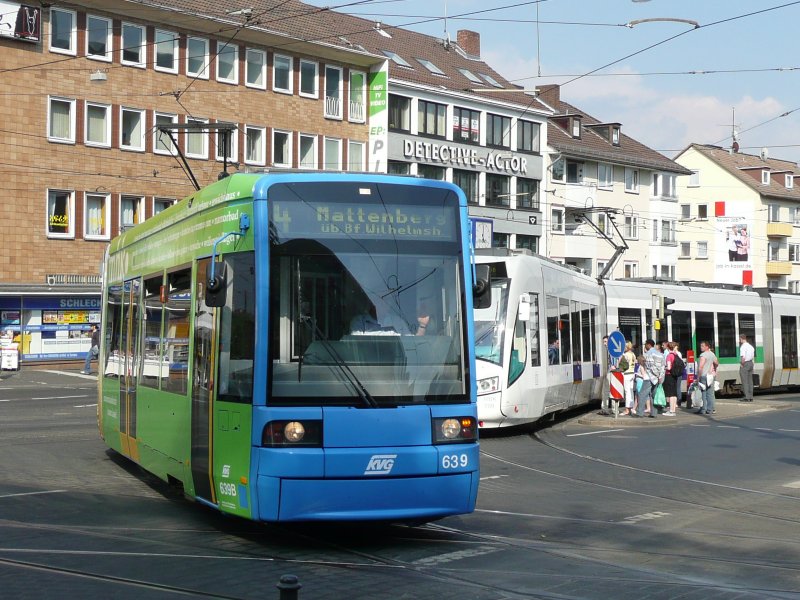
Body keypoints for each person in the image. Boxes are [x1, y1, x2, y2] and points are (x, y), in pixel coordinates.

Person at [635, 339, 665, 419]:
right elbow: (663, 367)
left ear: (649, 345)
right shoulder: (660, 354)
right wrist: (660, 376)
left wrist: (655, 374)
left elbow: (650, 366)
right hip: (657, 378)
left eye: (645, 344)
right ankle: (653, 413)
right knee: (654, 396)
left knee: (642, 394)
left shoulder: (648, 354)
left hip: (649, 377)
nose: (645, 346)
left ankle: (640, 413)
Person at [697, 340, 719, 415]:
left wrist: (698, 377)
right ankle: (710, 409)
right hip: (710, 376)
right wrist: (714, 369)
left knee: (703, 393)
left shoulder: (703, 355)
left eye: (702, 346)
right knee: (710, 393)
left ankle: (703, 409)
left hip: (703, 376)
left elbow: (701, 367)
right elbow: (716, 363)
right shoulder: (712, 354)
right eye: (701, 346)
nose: (701, 347)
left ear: (707, 346)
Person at [662, 342, 680, 416]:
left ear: (668, 347)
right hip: (675, 375)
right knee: (674, 393)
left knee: (670, 394)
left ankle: (671, 411)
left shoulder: (669, 356)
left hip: (669, 375)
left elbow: (669, 367)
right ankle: (673, 410)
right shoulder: (676, 355)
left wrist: (664, 367)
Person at [620, 341, 636, 415]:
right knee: (631, 391)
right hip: (632, 373)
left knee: (627, 392)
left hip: (626, 374)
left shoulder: (625, 355)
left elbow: (621, 364)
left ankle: (627, 409)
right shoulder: (633, 354)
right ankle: (632, 407)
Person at [739, 334, 755, 402]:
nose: (739, 340)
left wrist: (742, 364)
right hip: (751, 363)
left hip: (745, 364)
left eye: (739, 339)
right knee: (750, 381)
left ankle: (746, 397)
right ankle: (751, 397)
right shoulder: (751, 346)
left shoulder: (743, 347)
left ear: (741, 339)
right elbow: (753, 357)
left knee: (745, 381)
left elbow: (743, 357)